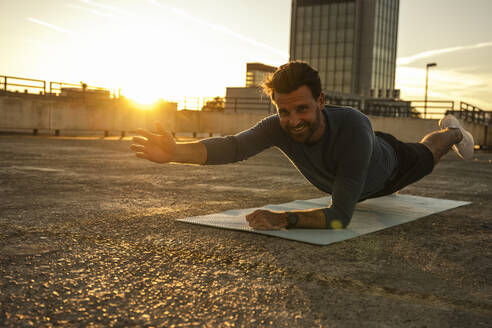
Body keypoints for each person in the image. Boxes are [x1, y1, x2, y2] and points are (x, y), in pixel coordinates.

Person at [130, 61, 474, 231]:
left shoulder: (353, 126)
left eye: (302, 109)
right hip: (360, 174)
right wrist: (176, 153)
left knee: (431, 151)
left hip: (391, 166)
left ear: (321, 100)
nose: (293, 120)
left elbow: (341, 215)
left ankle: (454, 130)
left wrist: (284, 218)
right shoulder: (279, 127)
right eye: (284, 110)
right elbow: (233, 147)